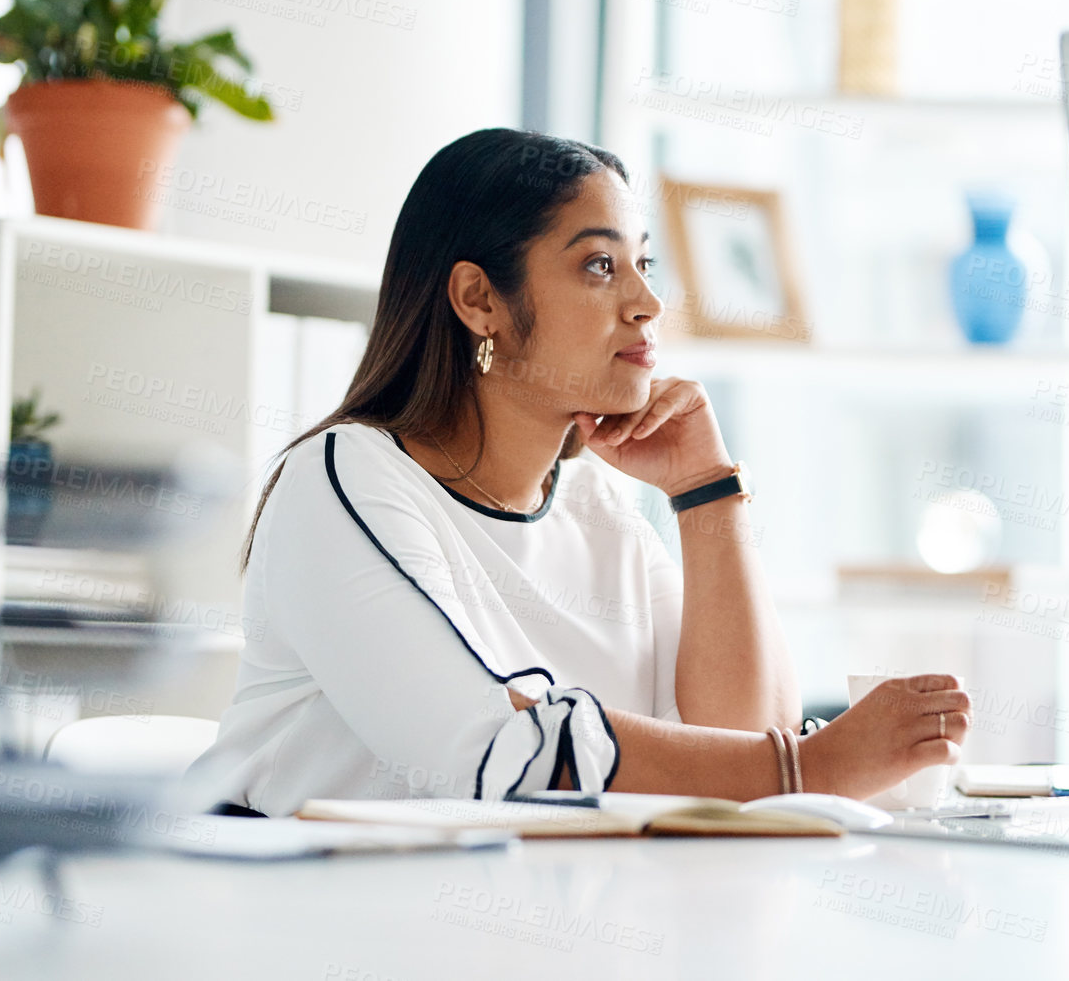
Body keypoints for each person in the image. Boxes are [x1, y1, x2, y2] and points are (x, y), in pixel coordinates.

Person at [186, 129, 969, 816]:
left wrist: (706, 493)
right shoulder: (343, 479)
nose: (648, 302)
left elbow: (736, 746)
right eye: (599, 265)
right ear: (478, 299)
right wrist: (812, 765)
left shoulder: (590, 502)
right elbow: (499, 752)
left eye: (644, 263)